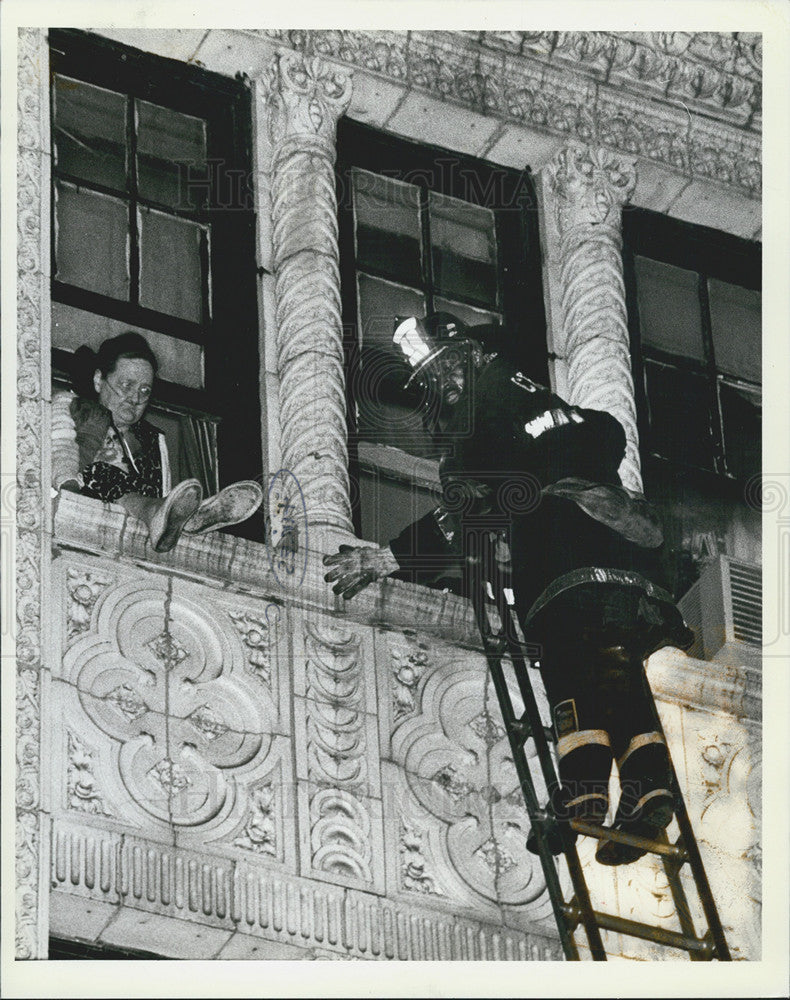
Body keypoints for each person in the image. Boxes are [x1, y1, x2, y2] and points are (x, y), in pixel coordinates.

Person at [324, 312, 694, 866]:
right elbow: (610, 432)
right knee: (617, 670)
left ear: (471, 355)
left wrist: (384, 558)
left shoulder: (482, 427)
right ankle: (650, 789)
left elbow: (461, 519)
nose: (443, 385)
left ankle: (584, 796)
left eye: (447, 368)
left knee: (572, 666)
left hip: (564, 565)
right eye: (432, 379)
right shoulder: (547, 407)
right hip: (628, 565)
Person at [51, 331, 263, 553]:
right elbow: (61, 449)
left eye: (145, 391)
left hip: (134, 535)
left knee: (165, 503)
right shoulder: (71, 405)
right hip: (84, 509)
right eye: (126, 385)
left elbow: (162, 486)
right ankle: (185, 517)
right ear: (98, 380)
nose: (135, 398)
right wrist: (69, 488)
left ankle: (184, 517)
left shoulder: (153, 439)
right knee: (103, 472)